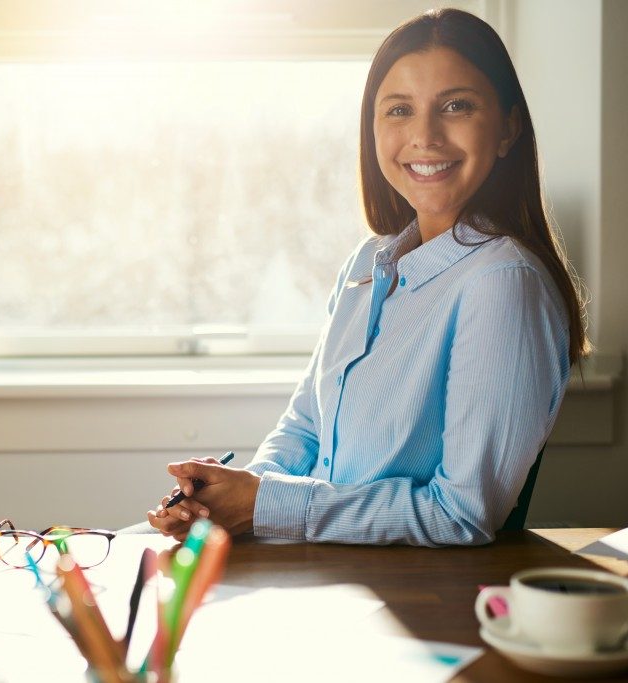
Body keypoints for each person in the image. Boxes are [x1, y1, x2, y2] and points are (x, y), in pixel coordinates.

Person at [146, 8, 588, 546]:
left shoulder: (502, 282)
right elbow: (308, 426)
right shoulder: (367, 263)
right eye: (399, 109)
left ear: (507, 128)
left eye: (456, 106)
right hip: (332, 575)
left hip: (423, 601)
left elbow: (462, 513)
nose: (424, 135)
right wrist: (230, 497)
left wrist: (265, 506)